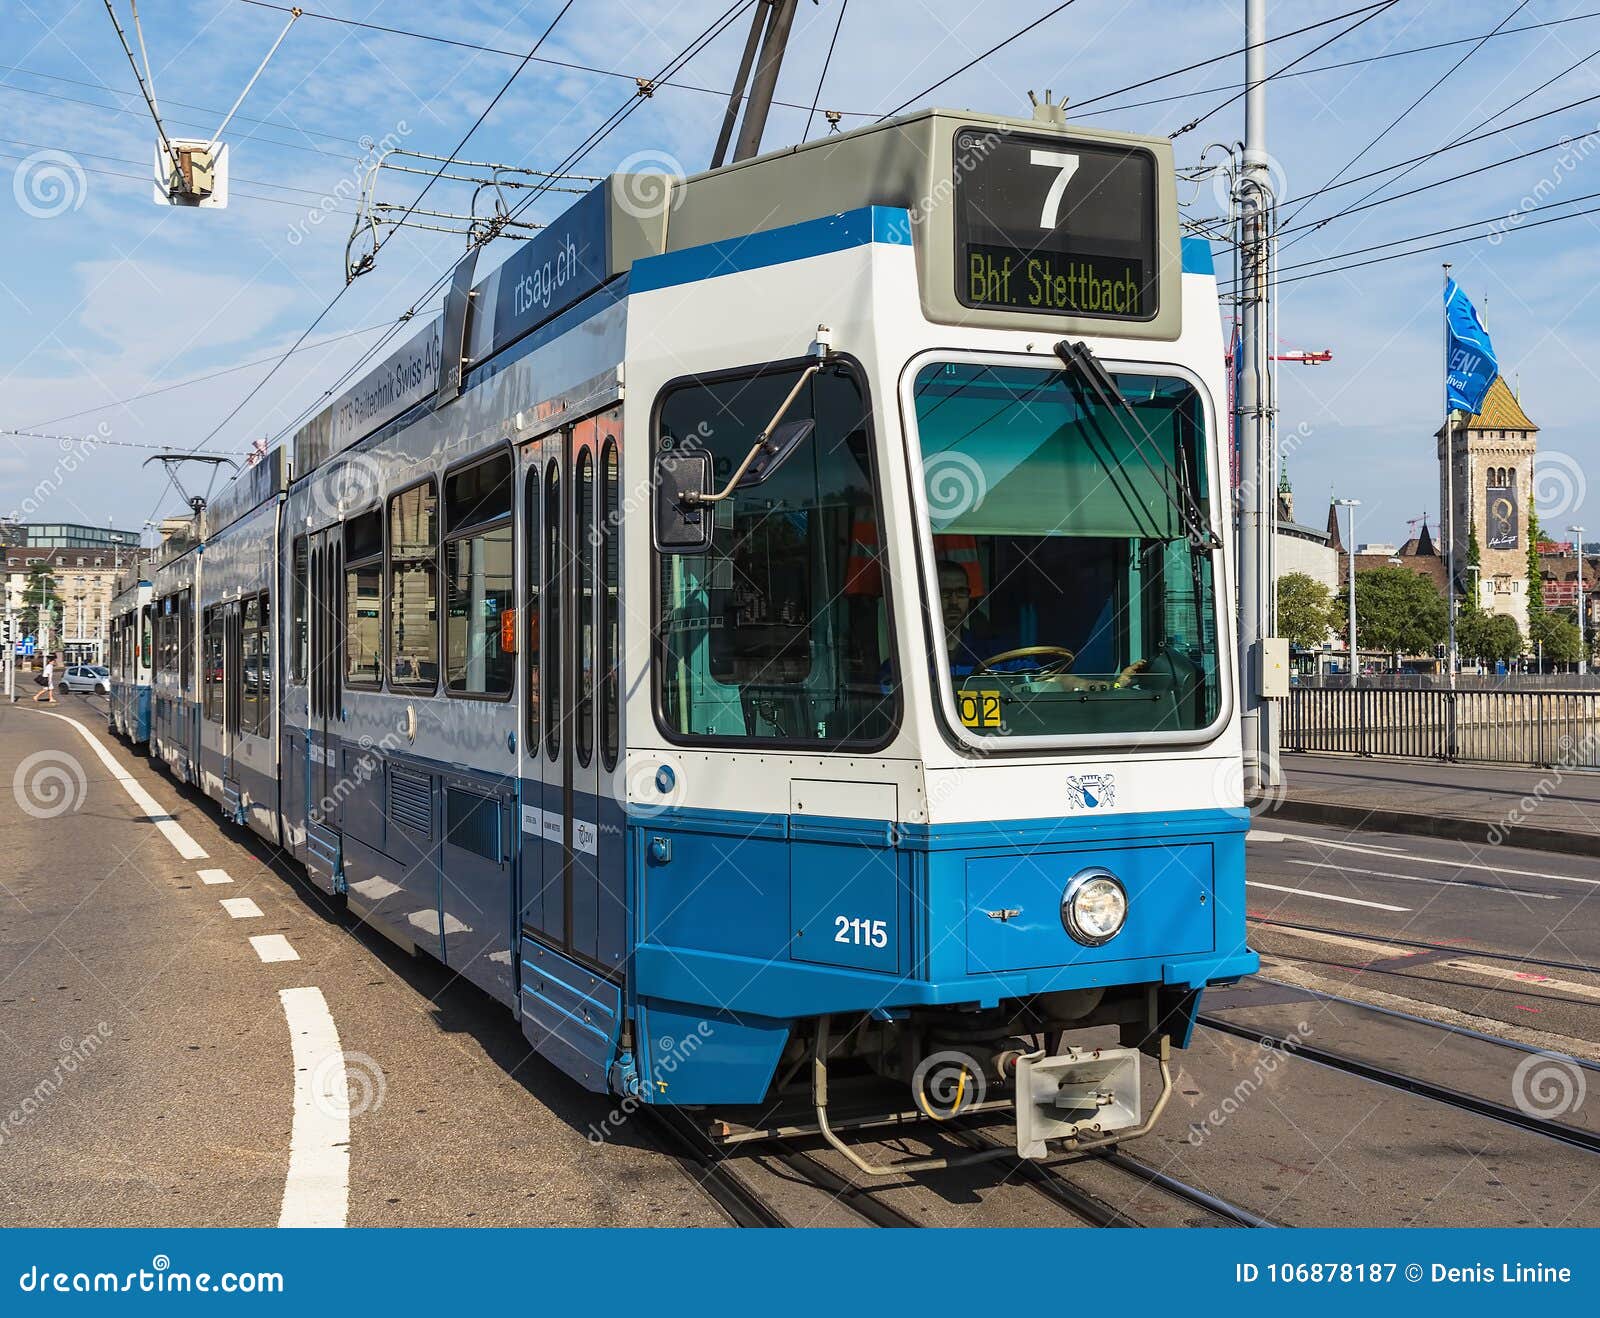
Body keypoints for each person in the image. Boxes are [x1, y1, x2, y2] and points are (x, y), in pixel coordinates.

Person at [937, 559, 1147, 690]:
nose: (954, 602)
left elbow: (1048, 680)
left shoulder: (991, 652)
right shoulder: (911, 656)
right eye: (945, 593)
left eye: (961, 593)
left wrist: (1112, 685)